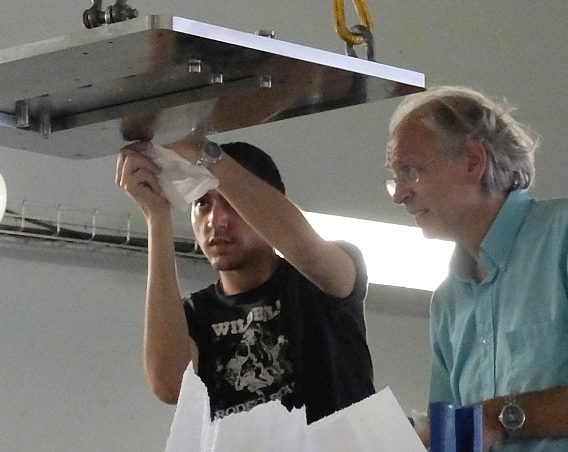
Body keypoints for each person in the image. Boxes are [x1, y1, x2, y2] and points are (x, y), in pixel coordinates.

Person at [385, 86, 568, 451]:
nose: (399, 194)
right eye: (394, 178)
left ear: (474, 160)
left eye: (410, 171)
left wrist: (501, 416)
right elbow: (461, 432)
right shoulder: (448, 299)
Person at [116, 136, 375, 423]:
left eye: (231, 203)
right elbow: (171, 385)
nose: (216, 220)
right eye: (202, 203)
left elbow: (308, 252)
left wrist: (203, 153)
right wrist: (157, 218)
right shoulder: (195, 314)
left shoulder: (319, 280)